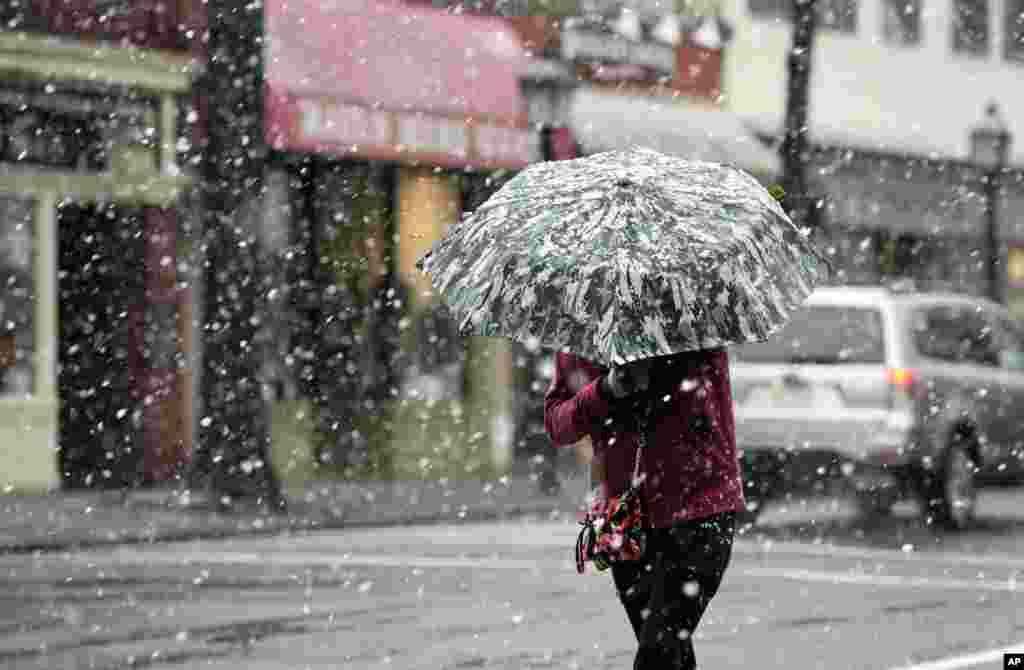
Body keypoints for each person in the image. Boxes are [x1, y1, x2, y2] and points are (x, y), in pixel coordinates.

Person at [544, 349, 745, 670]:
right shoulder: (583, 330)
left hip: (700, 508)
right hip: (620, 518)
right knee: (667, 654)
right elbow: (558, 424)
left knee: (658, 654)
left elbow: (706, 403)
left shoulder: (689, 315)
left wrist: (657, 365)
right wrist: (607, 389)